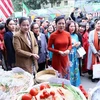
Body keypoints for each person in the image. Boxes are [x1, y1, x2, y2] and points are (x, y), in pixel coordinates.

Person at [66, 20, 81, 87]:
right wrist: (73, 46)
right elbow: (65, 47)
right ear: (68, 27)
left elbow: (77, 46)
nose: (73, 28)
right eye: (71, 26)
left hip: (75, 56)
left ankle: (75, 84)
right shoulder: (66, 35)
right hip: (68, 56)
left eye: (74, 26)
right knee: (69, 70)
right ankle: (69, 84)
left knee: (75, 70)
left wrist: (78, 44)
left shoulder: (76, 35)